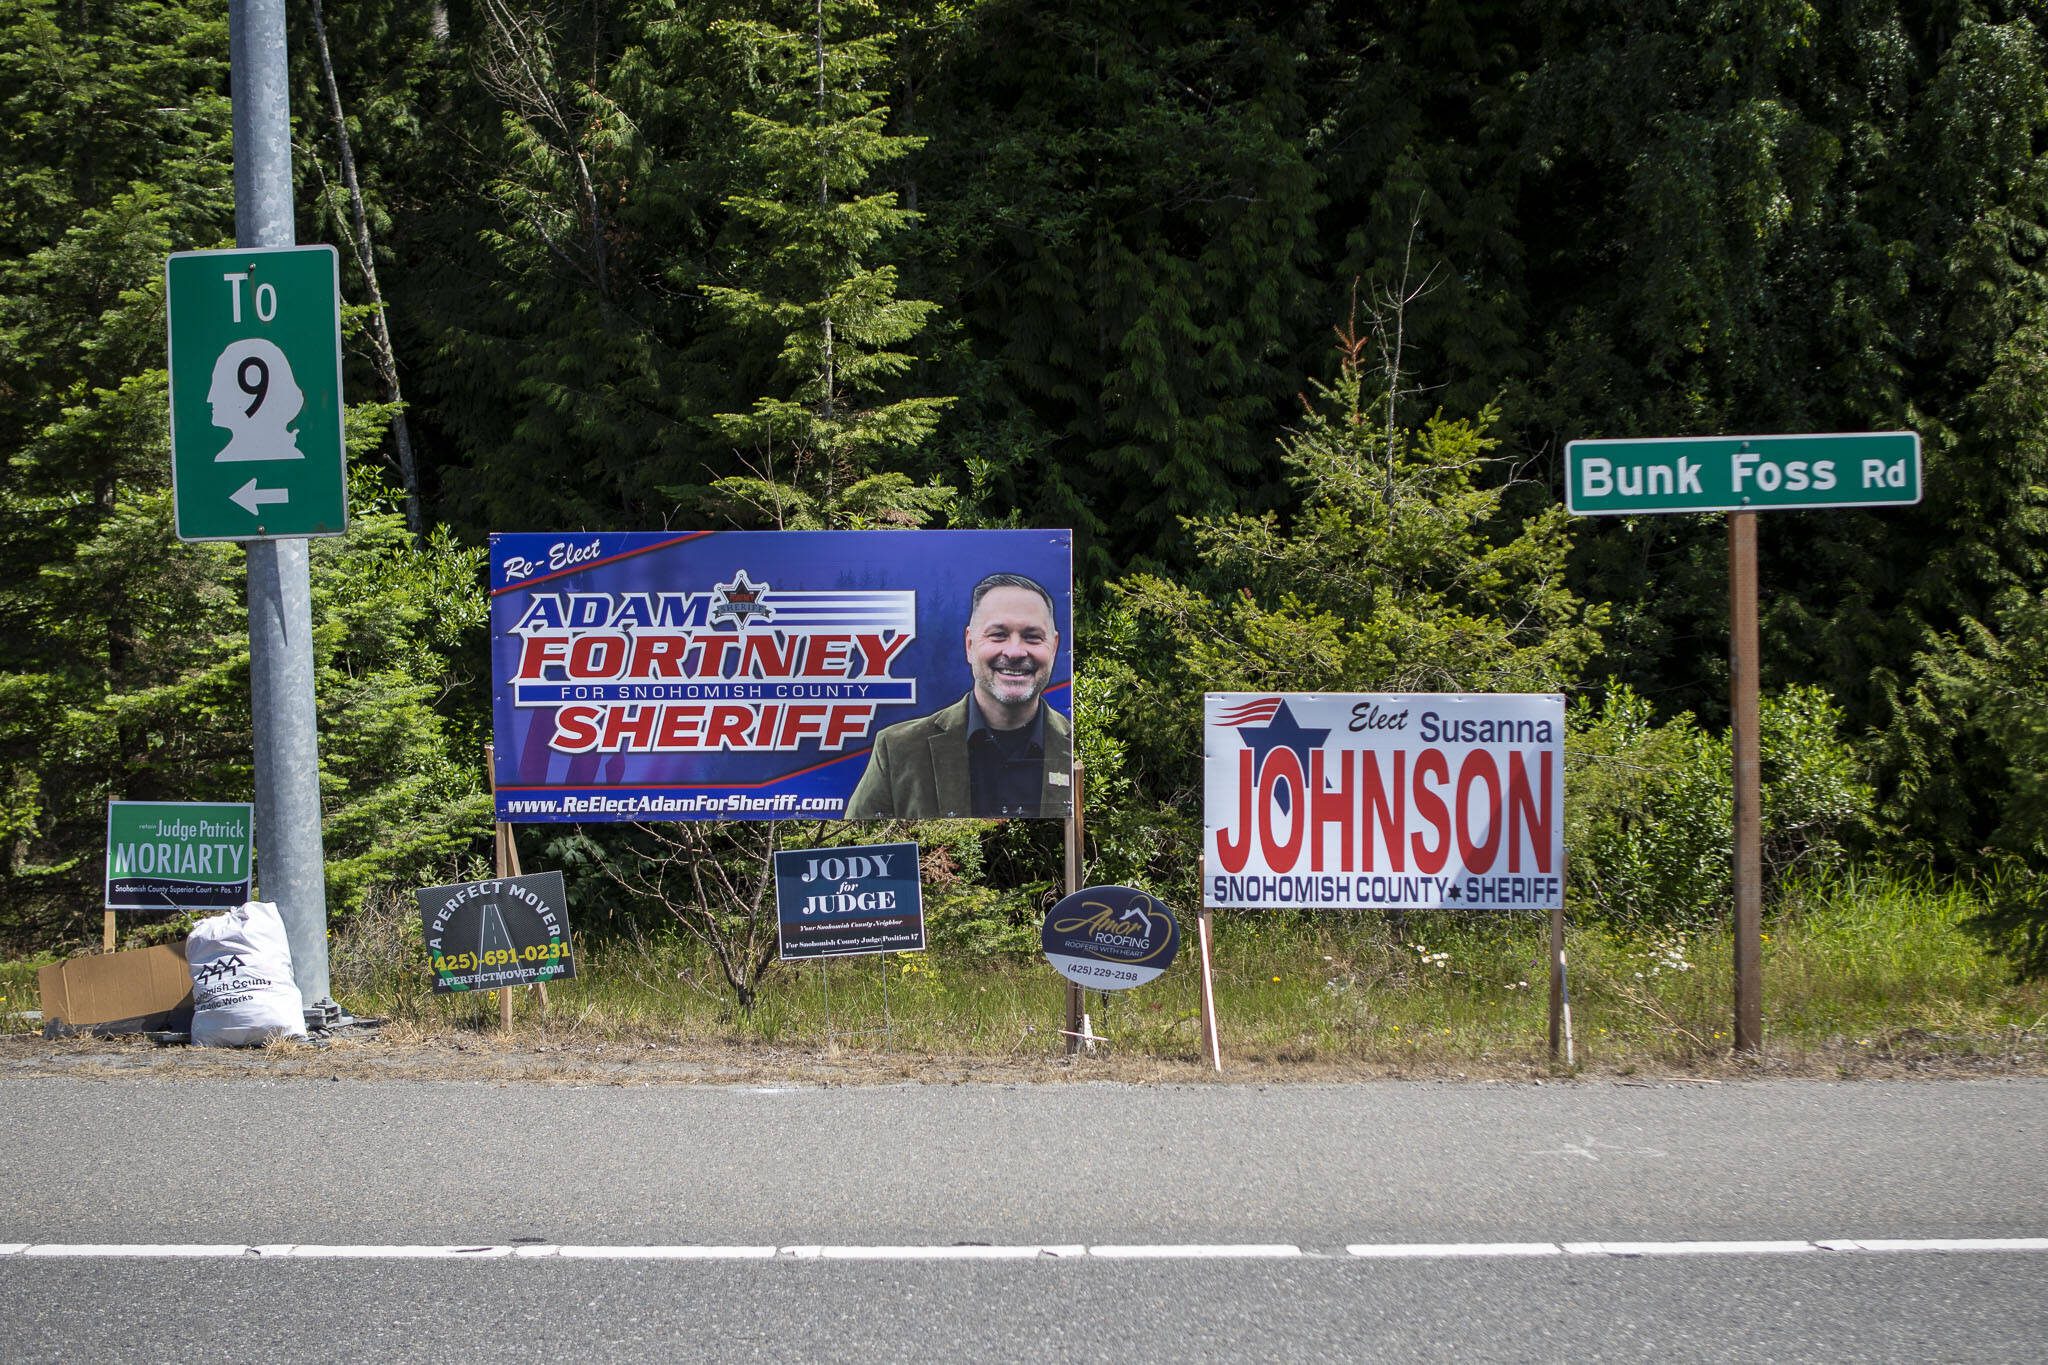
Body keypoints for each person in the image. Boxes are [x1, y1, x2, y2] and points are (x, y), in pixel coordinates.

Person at [845, 571, 1073, 819]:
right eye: (998, 634)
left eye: (1032, 637)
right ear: (970, 645)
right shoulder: (897, 750)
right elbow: (855, 843)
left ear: (1054, 647)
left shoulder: (1079, 750)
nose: (1015, 651)